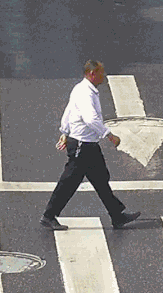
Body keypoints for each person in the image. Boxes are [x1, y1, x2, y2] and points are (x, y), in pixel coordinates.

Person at [41, 60, 140, 231]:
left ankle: (117, 216)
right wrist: (109, 135)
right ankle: (49, 216)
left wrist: (65, 132)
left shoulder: (81, 89)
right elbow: (90, 119)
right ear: (92, 74)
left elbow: (69, 111)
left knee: (101, 179)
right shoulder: (85, 93)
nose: (104, 76)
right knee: (69, 182)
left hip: (87, 144)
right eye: (101, 73)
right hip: (82, 144)